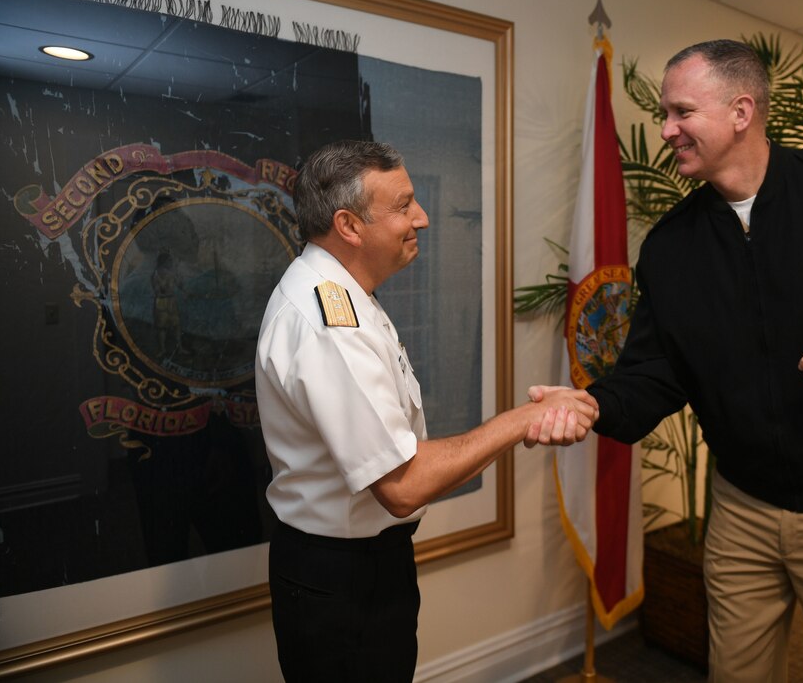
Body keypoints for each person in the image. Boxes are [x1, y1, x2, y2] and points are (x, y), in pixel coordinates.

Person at [538, 40, 803, 681]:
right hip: (739, 513)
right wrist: (594, 402)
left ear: (741, 111)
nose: (666, 131)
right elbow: (657, 371)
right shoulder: (669, 248)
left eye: (681, 112)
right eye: (665, 114)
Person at [255, 139, 598, 682]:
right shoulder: (328, 321)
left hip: (358, 566)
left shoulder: (342, 293)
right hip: (342, 580)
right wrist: (523, 420)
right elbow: (403, 485)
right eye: (403, 205)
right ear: (349, 225)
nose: (423, 217)